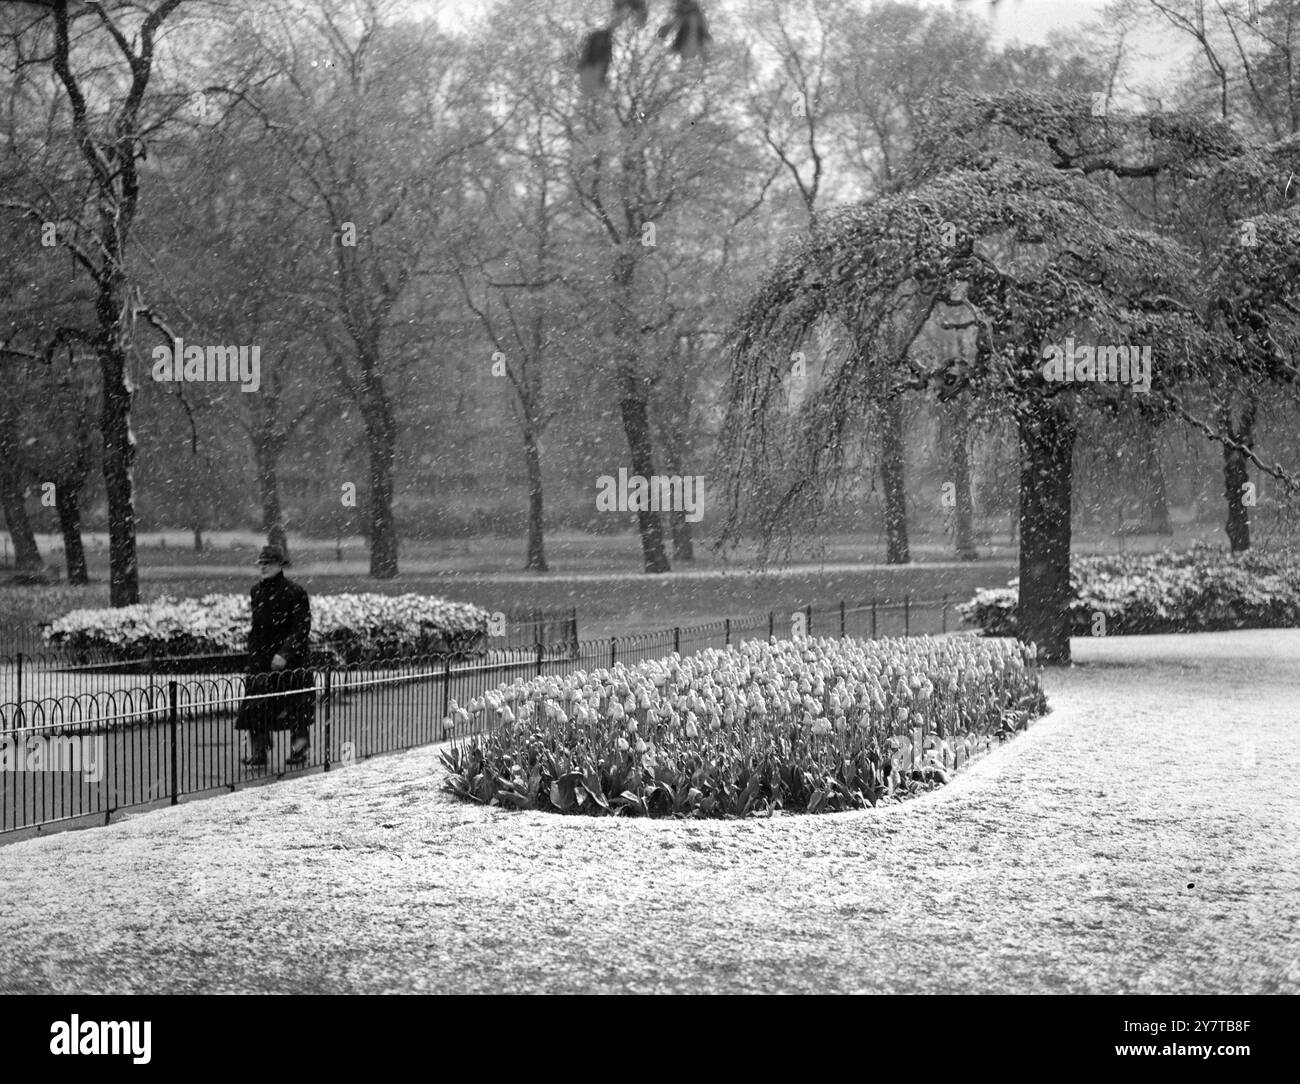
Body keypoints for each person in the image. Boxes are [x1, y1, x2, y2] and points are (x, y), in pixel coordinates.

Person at [235, 544, 313, 768]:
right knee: (256, 707)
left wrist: (284, 653)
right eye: (261, 564)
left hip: (291, 661)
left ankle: (299, 750)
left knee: (296, 708)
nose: (263, 567)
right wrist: (254, 657)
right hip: (262, 659)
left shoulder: (295, 592)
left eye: (267, 563)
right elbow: (256, 627)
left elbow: (301, 628)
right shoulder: (256, 591)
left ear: (280, 565)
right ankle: (259, 752)